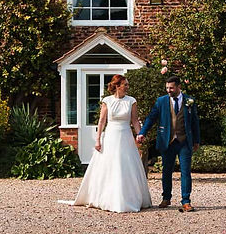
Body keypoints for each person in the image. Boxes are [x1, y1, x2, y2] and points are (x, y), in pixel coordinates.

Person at [67, 74, 152, 213]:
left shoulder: (132, 101)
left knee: (126, 165)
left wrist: (139, 134)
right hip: (111, 135)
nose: (127, 87)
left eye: (127, 84)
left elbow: (135, 121)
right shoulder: (107, 101)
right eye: (125, 84)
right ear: (117, 86)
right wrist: (98, 139)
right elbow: (101, 121)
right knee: (109, 166)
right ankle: (107, 198)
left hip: (125, 136)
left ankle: (129, 198)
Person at [137, 75, 200, 212]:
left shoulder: (190, 101)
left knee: (185, 172)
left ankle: (186, 200)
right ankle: (166, 198)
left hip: (184, 141)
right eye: (167, 88)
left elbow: (195, 122)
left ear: (179, 87)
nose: (168, 90)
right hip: (168, 141)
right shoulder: (161, 101)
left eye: (171, 88)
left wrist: (196, 140)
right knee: (166, 171)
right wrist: (142, 132)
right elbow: (151, 118)